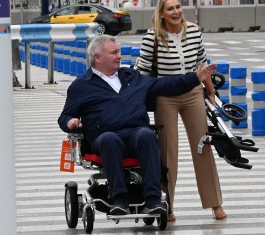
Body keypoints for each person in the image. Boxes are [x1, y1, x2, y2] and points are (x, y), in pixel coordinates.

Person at [57, 35, 216, 216]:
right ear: (98, 58)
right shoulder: (81, 86)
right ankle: (119, 199)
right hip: (106, 136)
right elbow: (65, 116)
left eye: (119, 52)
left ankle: (153, 199)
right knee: (110, 139)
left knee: (147, 135)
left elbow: (166, 84)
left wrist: (196, 77)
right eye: (114, 53)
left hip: (135, 132)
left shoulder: (131, 77)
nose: (119, 56)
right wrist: (70, 122)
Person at [136, 0, 226, 222]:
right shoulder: (152, 37)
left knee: (203, 146)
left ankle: (215, 203)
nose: (176, 12)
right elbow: (144, 72)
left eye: (178, 7)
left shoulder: (194, 31)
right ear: (161, 13)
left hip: (193, 93)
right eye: (170, 9)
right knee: (167, 152)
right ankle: (168, 204)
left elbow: (201, 64)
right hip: (165, 96)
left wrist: (211, 92)